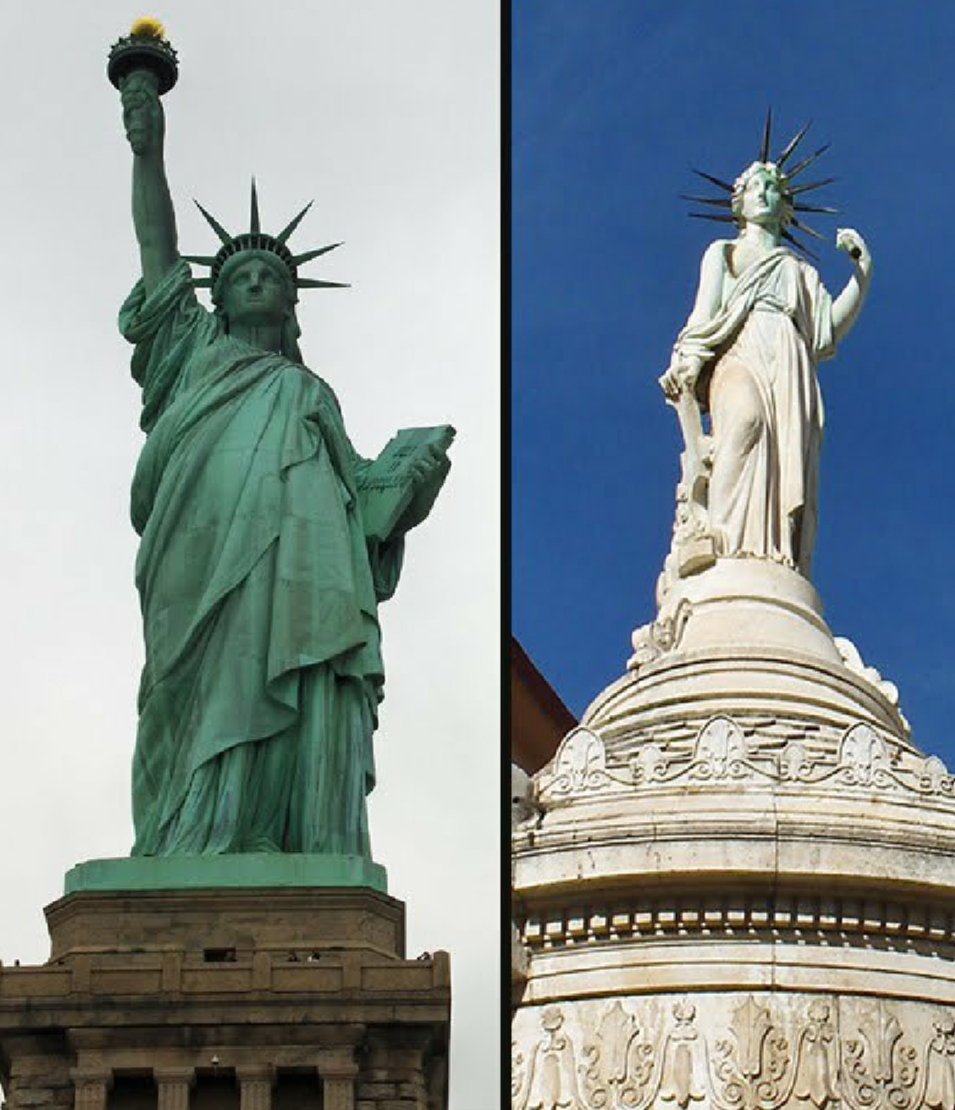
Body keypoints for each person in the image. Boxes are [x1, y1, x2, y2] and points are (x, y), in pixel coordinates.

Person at [117, 68, 451, 857]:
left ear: (290, 303)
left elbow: (357, 501)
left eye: (270, 276)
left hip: (301, 567)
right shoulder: (192, 352)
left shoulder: (310, 391)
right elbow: (156, 249)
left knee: (292, 677)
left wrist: (408, 478)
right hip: (195, 552)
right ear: (220, 300)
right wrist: (147, 151)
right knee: (188, 689)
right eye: (239, 278)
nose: (257, 281)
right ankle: (183, 836)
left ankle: (271, 831)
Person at [661, 157, 872, 576]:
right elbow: (705, 313)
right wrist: (688, 357)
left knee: (783, 456)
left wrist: (862, 275)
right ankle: (724, 548)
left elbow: (826, 329)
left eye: (773, 188)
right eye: (755, 187)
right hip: (740, 348)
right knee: (745, 422)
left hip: (790, 359)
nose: (764, 193)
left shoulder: (799, 270)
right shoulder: (725, 252)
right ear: (739, 203)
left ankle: (774, 555)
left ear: (786, 206)